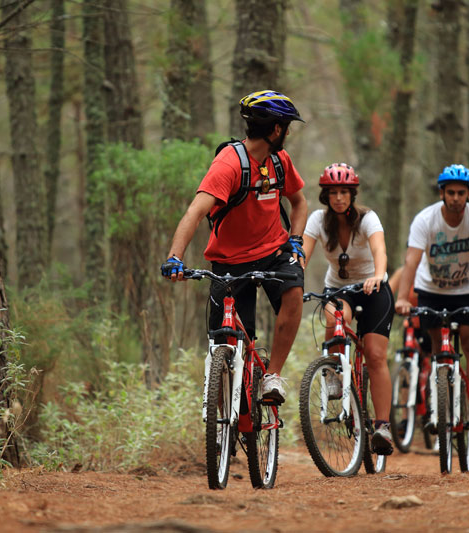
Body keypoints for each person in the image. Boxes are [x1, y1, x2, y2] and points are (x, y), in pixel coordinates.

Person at [161, 90, 308, 404]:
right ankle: (230, 408)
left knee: (294, 291)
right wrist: (175, 257)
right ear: (276, 129)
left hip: (273, 252)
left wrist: (296, 241)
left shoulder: (280, 161)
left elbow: (299, 203)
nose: (288, 132)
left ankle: (273, 376)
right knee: (227, 344)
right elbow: (196, 210)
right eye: (287, 126)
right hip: (230, 262)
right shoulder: (229, 164)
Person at [302, 163, 395, 454]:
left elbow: (380, 249)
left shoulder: (367, 218)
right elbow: (303, 253)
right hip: (340, 290)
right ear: (325, 196)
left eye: (344, 192)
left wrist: (378, 275)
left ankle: (382, 426)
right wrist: (293, 277)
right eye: (333, 192)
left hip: (373, 289)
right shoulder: (318, 220)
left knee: (376, 356)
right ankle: (334, 377)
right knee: (334, 316)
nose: (339, 198)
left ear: (352, 194)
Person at [394, 164, 469, 426]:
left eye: (461, 193)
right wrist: (404, 298)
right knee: (438, 348)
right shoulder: (425, 220)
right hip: (432, 289)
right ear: (441, 193)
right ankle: (438, 407)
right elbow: (411, 261)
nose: (455, 198)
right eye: (450, 192)